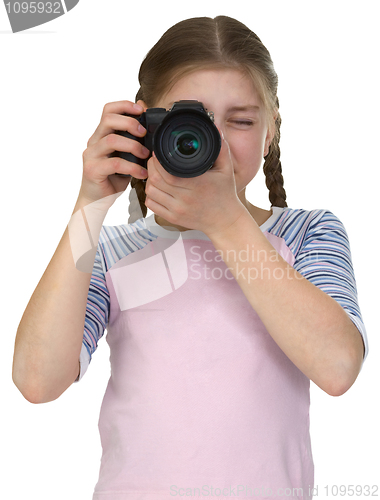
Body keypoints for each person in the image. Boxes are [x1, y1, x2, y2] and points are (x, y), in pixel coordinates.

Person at [13, 15, 368, 500]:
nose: (214, 142)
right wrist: (89, 204)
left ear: (270, 131)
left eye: (240, 121)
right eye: (191, 122)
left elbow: (338, 367)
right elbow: (37, 380)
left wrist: (225, 221)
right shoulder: (114, 250)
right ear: (145, 129)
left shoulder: (306, 233)